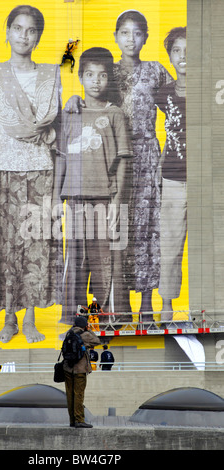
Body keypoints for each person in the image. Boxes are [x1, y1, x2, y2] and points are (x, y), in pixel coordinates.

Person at [0, 5, 62, 344]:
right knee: (5, 246)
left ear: (38, 36)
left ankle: (32, 320)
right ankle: (9, 320)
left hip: (40, 171)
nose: (24, 35)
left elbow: (60, 129)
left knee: (37, 246)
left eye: (31, 30)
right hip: (1, 170)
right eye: (18, 28)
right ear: (6, 32)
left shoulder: (52, 75)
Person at [54, 47, 133, 326]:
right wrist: (55, 199)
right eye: (89, 75)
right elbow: (61, 158)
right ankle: (75, 318)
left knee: (107, 259)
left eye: (102, 75)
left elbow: (123, 161)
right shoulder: (71, 112)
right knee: (75, 260)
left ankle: (114, 318)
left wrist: (117, 202)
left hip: (105, 199)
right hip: (75, 200)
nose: (96, 81)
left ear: (109, 79)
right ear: (81, 77)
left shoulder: (115, 114)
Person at [113, 10, 173, 318]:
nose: (130, 39)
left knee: (150, 228)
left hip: (148, 156)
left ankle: (148, 304)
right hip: (117, 161)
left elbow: (176, 107)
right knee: (121, 226)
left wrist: (170, 152)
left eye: (137, 33)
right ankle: (121, 305)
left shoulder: (155, 70)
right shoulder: (107, 73)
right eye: (124, 33)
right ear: (115, 37)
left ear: (145, 38)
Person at [155, 27, 187, 321]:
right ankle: (166, 307)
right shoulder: (164, 93)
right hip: (173, 179)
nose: (183, 56)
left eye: (189, 50)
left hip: (207, 181)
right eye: (177, 51)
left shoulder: (214, 91)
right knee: (170, 246)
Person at [63, 315, 100, 427]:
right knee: (78, 394)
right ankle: (79, 420)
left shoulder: (69, 333)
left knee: (70, 395)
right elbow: (98, 341)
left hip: (67, 368)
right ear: (85, 325)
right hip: (80, 369)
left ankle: (72, 421)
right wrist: (89, 330)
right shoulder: (86, 334)